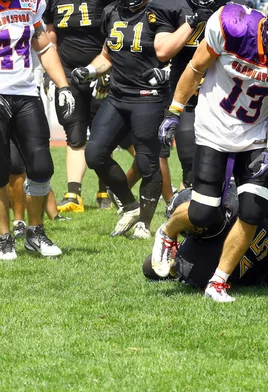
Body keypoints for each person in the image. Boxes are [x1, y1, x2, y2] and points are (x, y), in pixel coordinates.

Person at [150, 0, 268, 302]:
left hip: (255, 135)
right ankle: (168, 231)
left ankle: (218, 281)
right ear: (267, 31)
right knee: (204, 213)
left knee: (254, 210)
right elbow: (195, 67)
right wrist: (174, 110)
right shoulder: (233, 27)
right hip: (213, 127)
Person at [71, 0, 167, 238]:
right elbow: (107, 55)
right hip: (117, 96)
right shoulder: (112, 12)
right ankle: (130, 205)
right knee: (94, 153)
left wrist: (167, 72)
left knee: (147, 161)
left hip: (148, 96)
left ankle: (144, 222)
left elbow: (176, 53)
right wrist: (90, 70)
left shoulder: (160, 12)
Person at [143, 175, 268, 287]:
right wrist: (262, 205)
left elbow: (253, 275)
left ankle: (175, 240)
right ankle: (171, 230)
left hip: (255, 253)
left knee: (153, 268)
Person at [0, 0, 76, 260]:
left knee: (41, 165)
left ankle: (35, 232)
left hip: (25, 93)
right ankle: (3, 238)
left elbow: (44, 46)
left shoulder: (30, 4)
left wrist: (64, 86)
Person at [44, 0, 115, 212]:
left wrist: (108, 71)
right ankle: (74, 194)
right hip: (67, 73)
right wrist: (52, 74)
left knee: (103, 132)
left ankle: (106, 190)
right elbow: (50, 36)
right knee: (74, 131)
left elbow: (115, 30)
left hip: (100, 72)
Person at [145, 0, 224, 188]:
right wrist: (192, 22)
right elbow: (163, 51)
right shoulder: (171, 5)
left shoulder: (234, 6)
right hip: (187, 94)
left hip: (223, 94)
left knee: (226, 162)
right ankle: (187, 208)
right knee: (190, 165)